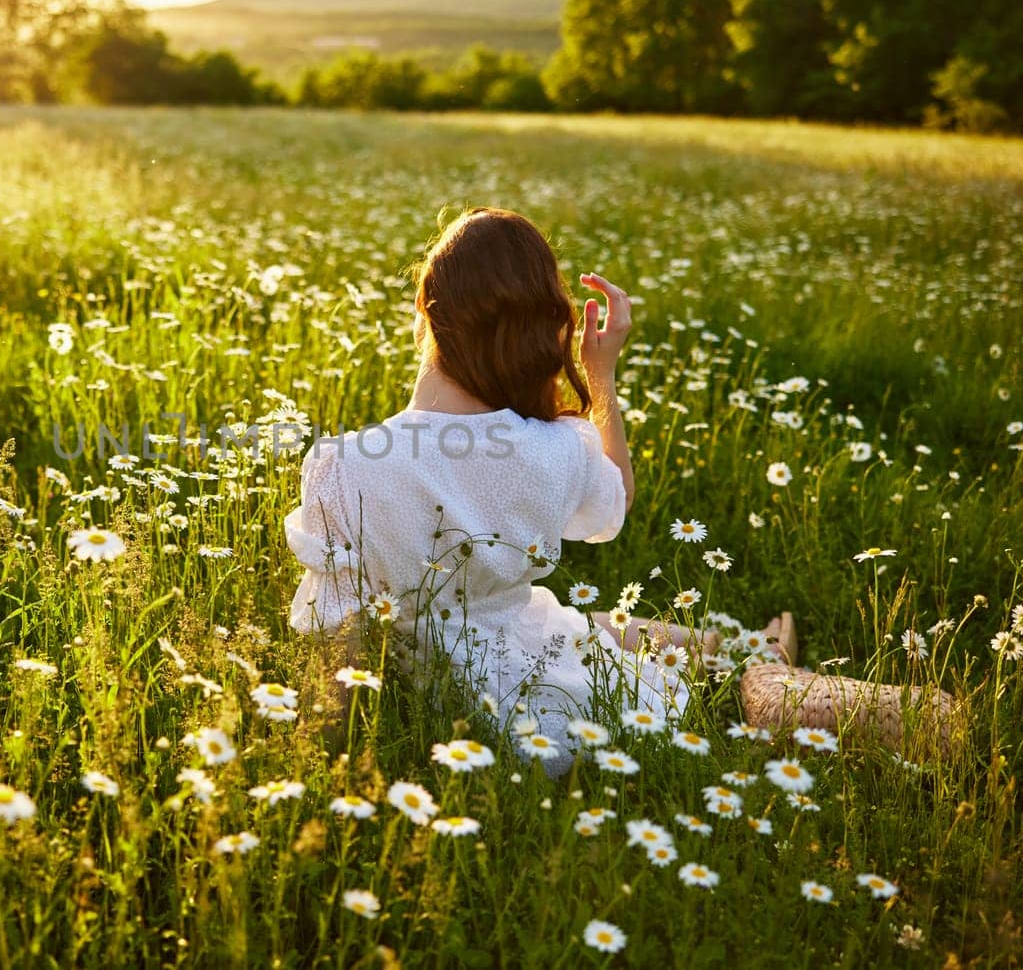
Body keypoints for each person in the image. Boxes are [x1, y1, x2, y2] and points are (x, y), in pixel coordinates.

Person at [282, 207, 791, 774]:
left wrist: (321, 757)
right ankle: (747, 655)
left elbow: (337, 636)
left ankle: (738, 649)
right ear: (540, 328)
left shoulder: (343, 464)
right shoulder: (555, 448)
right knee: (582, 628)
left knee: (582, 624)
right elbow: (613, 503)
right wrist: (601, 376)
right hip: (537, 694)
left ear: (424, 311)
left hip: (429, 700)